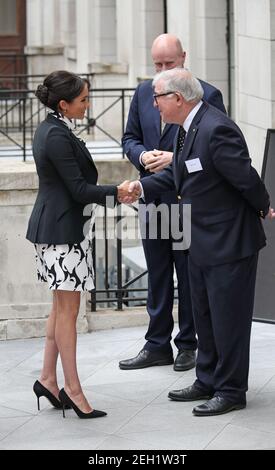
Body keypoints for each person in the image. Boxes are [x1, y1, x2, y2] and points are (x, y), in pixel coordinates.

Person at [125, 68, 275, 416]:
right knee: (204, 317)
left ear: (178, 99)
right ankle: (206, 379)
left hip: (229, 243)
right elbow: (179, 174)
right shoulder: (184, 129)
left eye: (158, 98)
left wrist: (263, 206)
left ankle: (231, 390)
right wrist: (141, 187)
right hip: (199, 241)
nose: (154, 104)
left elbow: (245, 177)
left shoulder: (216, 127)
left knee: (228, 321)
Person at [26, 70, 130, 419]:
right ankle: (72, 389)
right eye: (83, 100)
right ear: (64, 104)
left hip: (58, 231)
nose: (88, 105)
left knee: (60, 309)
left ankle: (47, 380)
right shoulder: (54, 134)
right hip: (61, 234)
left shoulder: (52, 127)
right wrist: (119, 192)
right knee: (68, 312)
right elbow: (79, 190)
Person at [120, 34, 226, 372]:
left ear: (184, 56)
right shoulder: (141, 92)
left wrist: (173, 158)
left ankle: (188, 346)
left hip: (187, 201)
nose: (163, 70)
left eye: (170, 63)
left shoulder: (208, 94)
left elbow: (214, 149)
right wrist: (142, 154)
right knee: (158, 273)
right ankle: (156, 345)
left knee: (189, 273)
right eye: (158, 64)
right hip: (153, 200)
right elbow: (129, 138)